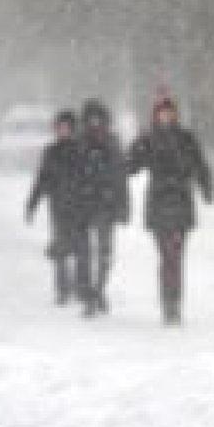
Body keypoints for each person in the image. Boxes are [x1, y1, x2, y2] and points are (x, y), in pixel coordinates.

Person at [127, 96, 213, 326]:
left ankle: (174, 304)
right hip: (158, 204)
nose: (165, 116)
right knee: (167, 256)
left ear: (175, 114)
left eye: (169, 112)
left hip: (181, 202)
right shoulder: (148, 138)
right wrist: (135, 148)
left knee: (176, 257)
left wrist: (207, 189)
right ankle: (168, 303)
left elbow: (200, 165)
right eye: (161, 113)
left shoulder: (186, 138)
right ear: (156, 115)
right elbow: (131, 165)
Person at [76, 99, 129, 317]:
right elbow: (70, 177)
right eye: (91, 119)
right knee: (85, 254)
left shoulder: (113, 143)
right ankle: (89, 294)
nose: (95, 123)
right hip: (83, 205)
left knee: (105, 253)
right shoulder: (79, 144)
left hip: (106, 206)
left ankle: (99, 289)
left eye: (98, 119)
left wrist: (123, 207)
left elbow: (120, 177)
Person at [26, 110, 83, 306]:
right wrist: (32, 204)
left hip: (79, 207)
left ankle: (78, 285)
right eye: (60, 128)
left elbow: (89, 179)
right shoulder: (51, 151)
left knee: (79, 249)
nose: (63, 131)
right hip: (58, 207)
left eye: (67, 128)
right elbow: (42, 180)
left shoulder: (81, 151)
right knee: (60, 249)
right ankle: (62, 289)